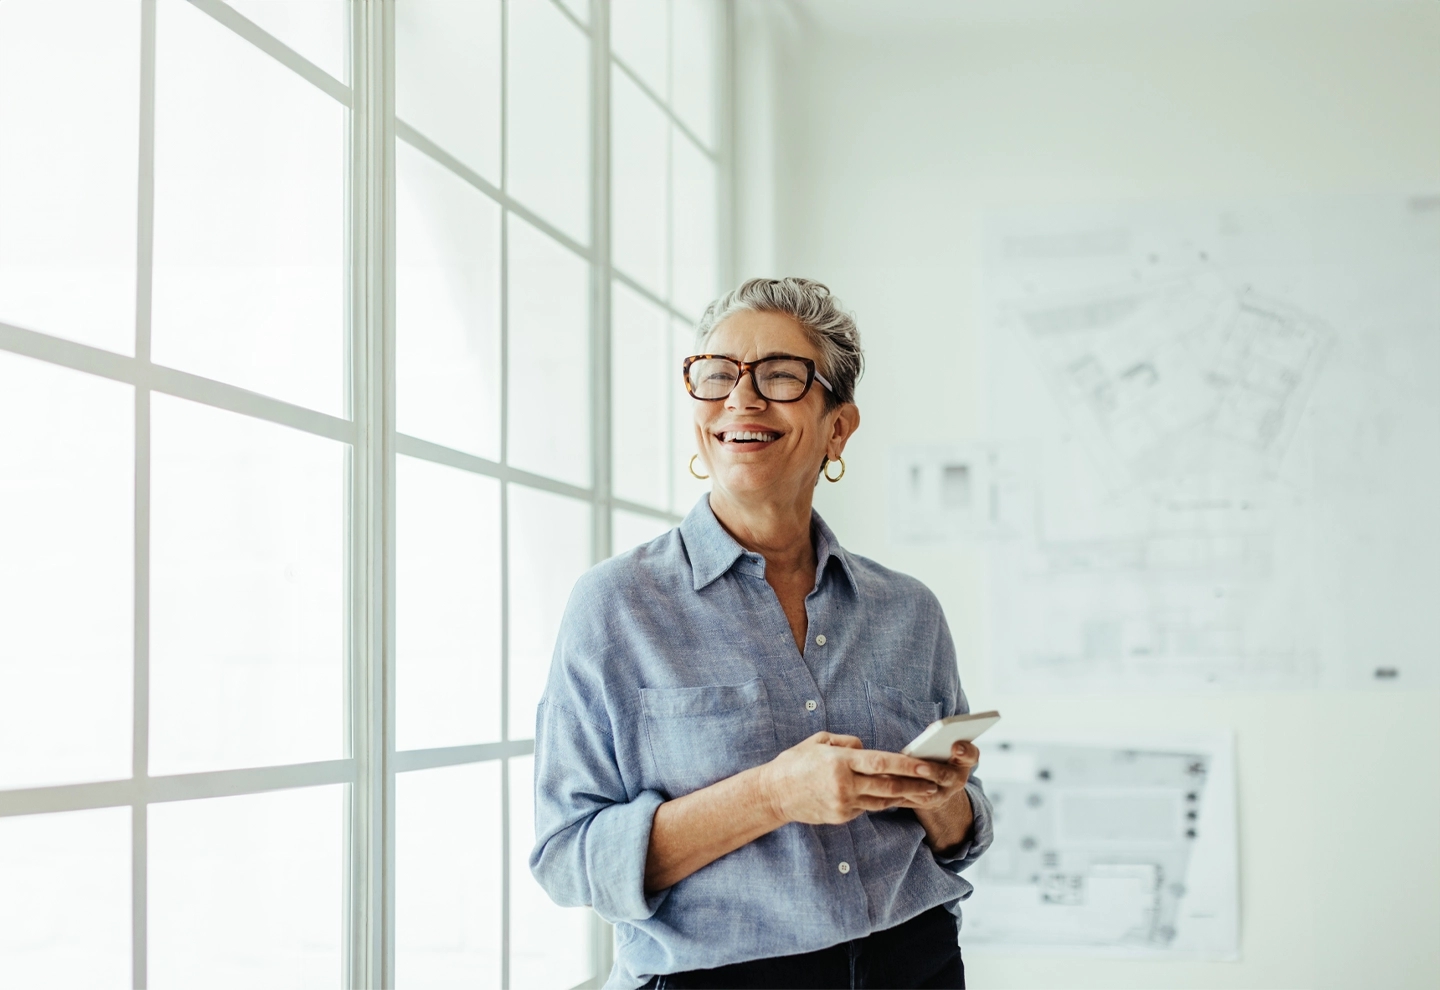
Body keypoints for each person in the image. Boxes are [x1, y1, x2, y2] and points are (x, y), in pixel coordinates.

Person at [530, 277, 993, 989]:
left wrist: (940, 797)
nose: (741, 399)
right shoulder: (616, 606)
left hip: (917, 962)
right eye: (718, 375)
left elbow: (958, 840)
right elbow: (569, 860)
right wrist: (773, 796)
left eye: (780, 376)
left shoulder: (910, 611)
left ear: (838, 427)